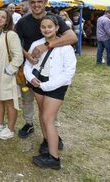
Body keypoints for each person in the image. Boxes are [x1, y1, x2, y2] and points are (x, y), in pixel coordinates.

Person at [15, 0, 77, 139]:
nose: (36, 5)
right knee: (27, 99)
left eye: (40, 2)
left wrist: (47, 45)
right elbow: (15, 43)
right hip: (31, 68)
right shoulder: (23, 22)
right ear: (29, 4)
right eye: (33, 2)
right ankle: (29, 123)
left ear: (45, 2)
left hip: (52, 70)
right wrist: (27, 56)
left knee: (49, 105)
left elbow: (72, 37)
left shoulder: (54, 19)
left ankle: (51, 132)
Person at [24, 14, 76, 170]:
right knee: (42, 113)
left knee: (48, 118)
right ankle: (47, 142)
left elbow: (68, 72)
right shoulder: (37, 44)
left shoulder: (65, 47)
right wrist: (30, 77)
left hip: (56, 86)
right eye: (43, 27)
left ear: (57, 28)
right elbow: (28, 65)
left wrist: (47, 86)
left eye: (50, 27)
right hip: (38, 83)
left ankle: (54, 158)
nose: (46, 29)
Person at [0, 9, 23, 140]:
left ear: (7, 21)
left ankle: (10, 128)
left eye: (3, 17)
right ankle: (0, 122)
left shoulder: (10, 35)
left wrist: (9, 71)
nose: (0, 18)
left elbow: (18, 56)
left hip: (6, 73)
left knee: (9, 101)